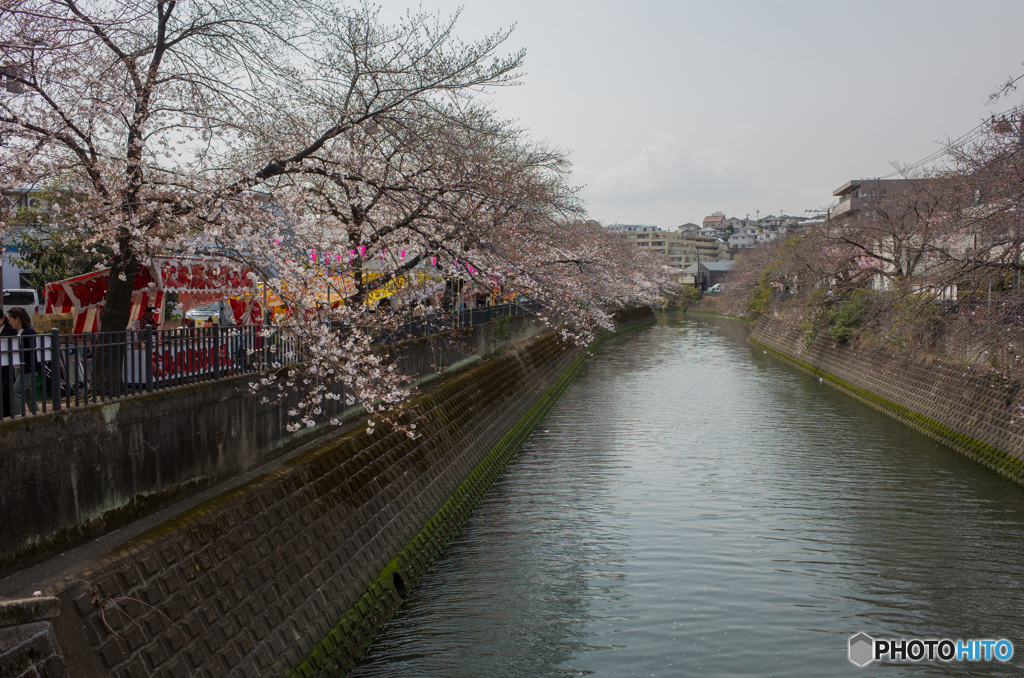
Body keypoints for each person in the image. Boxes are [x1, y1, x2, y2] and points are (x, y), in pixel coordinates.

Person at [7, 307, 37, 415]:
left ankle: (17, 416)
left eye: (11, 319)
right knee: (28, 393)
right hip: (20, 366)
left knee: (16, 391)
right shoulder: (20, 331)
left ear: (17, 319)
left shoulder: (29, 331)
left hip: (28, 367)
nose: (9, 322)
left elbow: (32, 350)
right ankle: (35, 413)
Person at [0, 311, 15, 418]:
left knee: (7, 389)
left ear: (2, 318)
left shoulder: (9, 329)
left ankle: (8, 412)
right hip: (1, 363)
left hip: (9, 364)